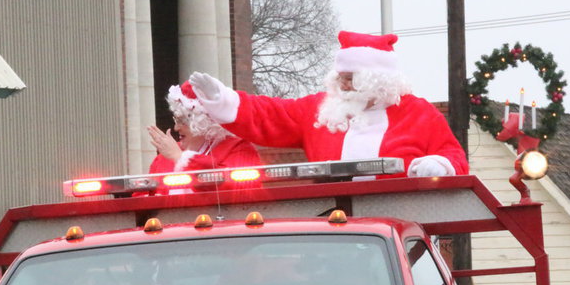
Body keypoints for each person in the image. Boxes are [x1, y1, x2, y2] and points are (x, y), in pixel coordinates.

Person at [187, 31, 469, 179]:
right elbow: (269, 114)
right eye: (341, 78)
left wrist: (438, 164)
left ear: (377, 80)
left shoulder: (418, 113)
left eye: (351, 78)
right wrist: (222, 99)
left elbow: (453, 155)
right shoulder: (321, 110)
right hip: (338, 226)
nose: (343, 85)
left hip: (401, 225)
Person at [146, 81, 262, 190]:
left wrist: (181, 159)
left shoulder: (238, 149)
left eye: (182, 121)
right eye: (177, 120)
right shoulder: (164, 158)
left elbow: (236, 191)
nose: (176, 128)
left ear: (205, 122)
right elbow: (144, 198)